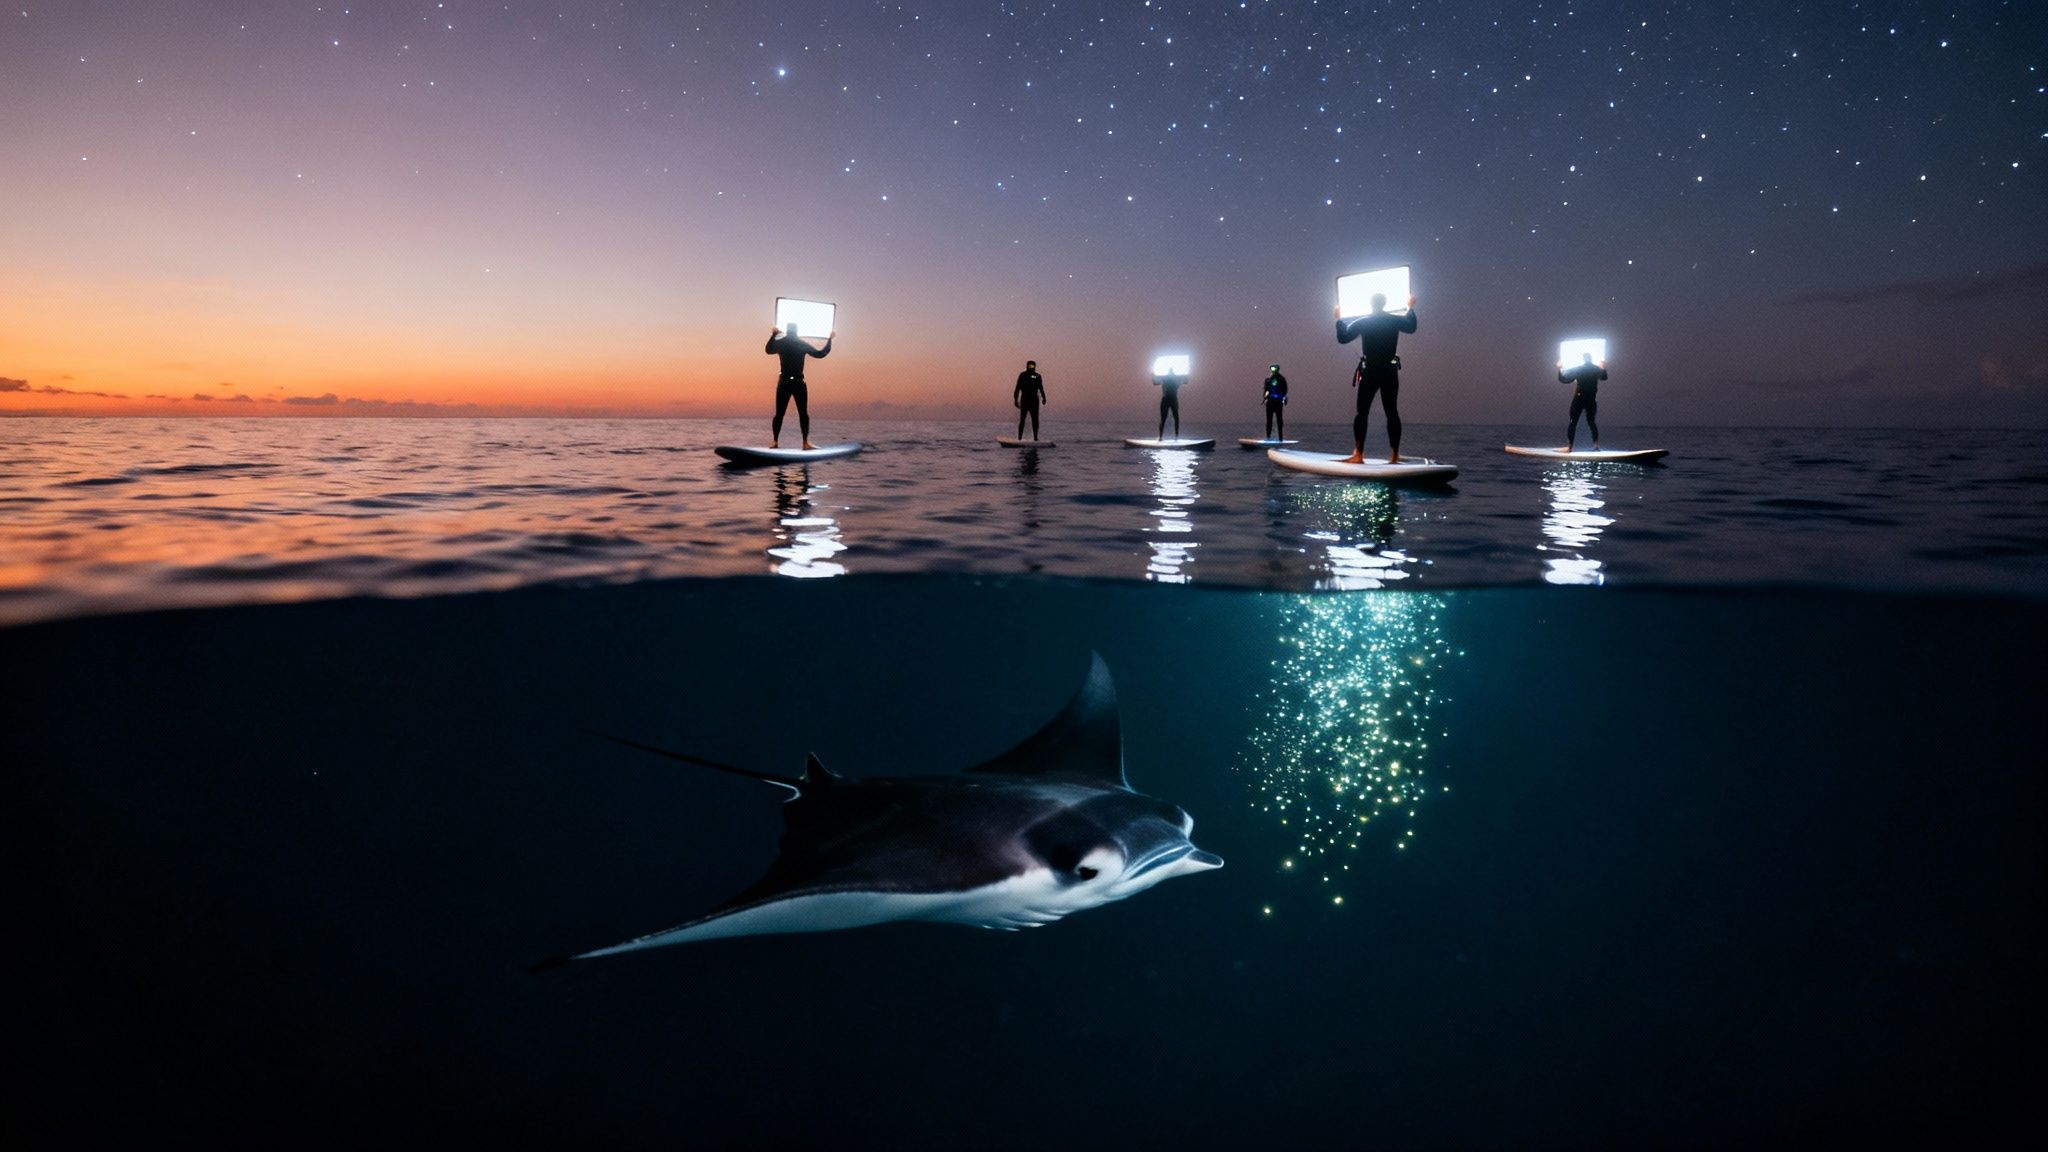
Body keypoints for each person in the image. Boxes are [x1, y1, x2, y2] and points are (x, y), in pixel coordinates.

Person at [1335, 293, 1418, 463]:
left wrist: (1338, 319)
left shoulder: (1364, 321)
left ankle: (1359, 455)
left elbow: (1343, 338)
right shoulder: (1394, 320)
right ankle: (1395, 455)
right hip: (1389, 371)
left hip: (1370, 371)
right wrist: (1410, 307)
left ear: (1371, 305)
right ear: (1384, 304)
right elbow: (1411, 327)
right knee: (1392, 412)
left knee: (1362, 413)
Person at [764, 322, 833, 449]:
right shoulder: (800, 343)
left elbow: (768, 350)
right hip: (797, 382)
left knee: (781, 414)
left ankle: (776, 442)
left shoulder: (782, 342)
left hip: (785, 382)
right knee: (801, 414)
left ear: (787, 331)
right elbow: (821, 354)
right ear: (797, 331)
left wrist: (773, 335)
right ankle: (803, 443)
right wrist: (830, 340)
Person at [1559, 352, 1607, 451]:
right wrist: (1603, 368)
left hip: (1579, 398)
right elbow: (1604, 377)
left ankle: (1569, 447)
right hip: (1591, 399)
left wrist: (1560, 368)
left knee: (1573, 422)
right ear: (1591, 358)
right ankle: (1596, 446)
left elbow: (1564, 380)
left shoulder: (1579, 369)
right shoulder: (1596, 369)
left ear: (1583, 359)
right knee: (1592, 422)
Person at [1014, 359, 1047, 440]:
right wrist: (1015, 399)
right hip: (1025, 399)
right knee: (1022, 419)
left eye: (1032, 366)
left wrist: (1044, 397)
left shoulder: (1037, 376)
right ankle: (1019, 438)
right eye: (1030, 366)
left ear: (1035, 366)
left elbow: (1041, 388)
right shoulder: (1023, 375)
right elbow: (1017, 388)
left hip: (1034, 400)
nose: (1031, 367)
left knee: (1035, 420)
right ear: (1027, 366)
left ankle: (1035, 438)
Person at [1153, 367, 1186, 439]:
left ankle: (1176, 436)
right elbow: (1155, 383)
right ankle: (1161, 437)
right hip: (1167, 399)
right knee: (1165, 418)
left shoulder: (1174, 379)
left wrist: (1185, 375)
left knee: (1175, 418)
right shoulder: (1167, 378)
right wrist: (1153, 374)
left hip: (1171, 399)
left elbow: (1186, 381)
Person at [1261, 363, 1289, 439]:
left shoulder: (1281, 379)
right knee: (1269, 421)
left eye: (1274, 369)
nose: (1273, 370)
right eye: (1272, 369)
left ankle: (1280, 438)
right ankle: (1268, 437)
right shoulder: (1268, 379)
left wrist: (1284, 398)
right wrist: (1265, 398)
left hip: (1278, 402)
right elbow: (1266, 390)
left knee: (1279, 420)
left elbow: (1285, 390)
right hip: (1270, 402)